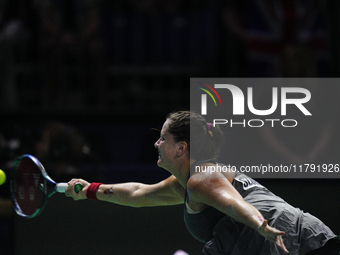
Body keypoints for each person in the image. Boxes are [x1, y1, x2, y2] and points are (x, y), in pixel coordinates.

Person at [65, 111, 339, 254]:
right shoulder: (184, 182)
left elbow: (233, 204)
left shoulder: (200, 179)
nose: (156, 144)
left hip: (297, 242)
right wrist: (91, 190)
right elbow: (138, 193)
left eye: (162, 138)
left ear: (181, 148)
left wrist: (259, 224)